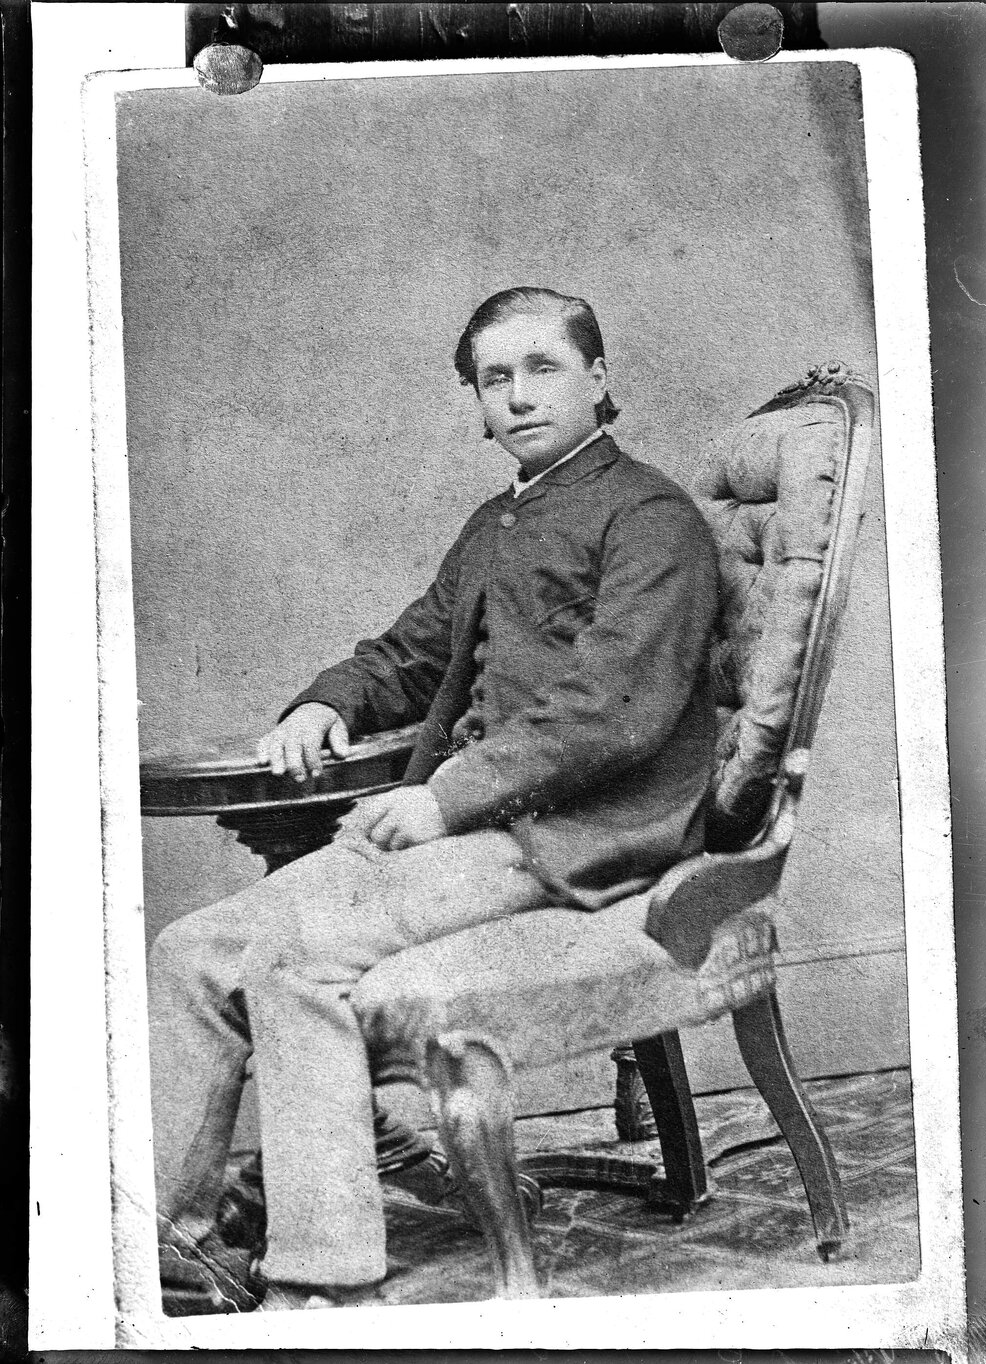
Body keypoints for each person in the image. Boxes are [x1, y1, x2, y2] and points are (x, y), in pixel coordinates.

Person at [150, 287, 720, 1312]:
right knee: (190, 951)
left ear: (598, 379)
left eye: (542, 367)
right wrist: (327, 702)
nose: (517, 394)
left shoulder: (651, 520)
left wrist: (447, 800)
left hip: (573, 841)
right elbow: (410, 653)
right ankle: (171, 1250)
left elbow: (613, 709)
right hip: (460, 829)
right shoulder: (497, 523)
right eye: (493, 378)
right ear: (476, 404)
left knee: (294, 964)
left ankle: (326, 1281)